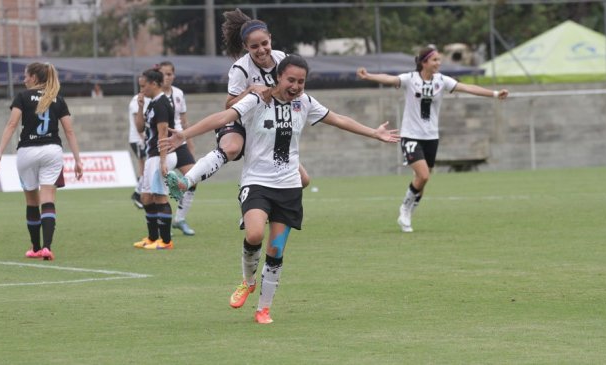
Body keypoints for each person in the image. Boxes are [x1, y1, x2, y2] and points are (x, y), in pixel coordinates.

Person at [161, 55, 400, 324]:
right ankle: (248, 281)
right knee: (253, 234)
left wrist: (374, 133)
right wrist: (186, 134)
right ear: (278, 78)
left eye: (301, 81)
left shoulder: (305, 103)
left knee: (275, 250)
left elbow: (339, 119)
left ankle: (264, 309)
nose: (296, 86)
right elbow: (224, 116)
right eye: (291, 80)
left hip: (288, 187)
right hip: (257, 182)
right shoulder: (257, 100)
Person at [356, 46, 509, 233]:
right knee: (423, 175)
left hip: (431, 137)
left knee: (422, 180)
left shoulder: (441, 81)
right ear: (424, 62)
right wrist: (369, 76)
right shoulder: (410, 79)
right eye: (435, 60)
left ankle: (410, 210)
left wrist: (494, 94)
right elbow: (390, 79)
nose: (439, 63)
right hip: (411, 135)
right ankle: (405, 208)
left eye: (439, 60)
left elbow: (467, 87)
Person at [168, 8, 310, 199]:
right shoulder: (240, 69)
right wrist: (249, 90)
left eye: (264, 43)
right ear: (245, 46)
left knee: (303, 180)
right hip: (241, 121)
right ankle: (186, 181)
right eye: (254, 46)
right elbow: (229, 105)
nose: (261, 50)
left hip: (269, 124)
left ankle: (259, 201)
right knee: (232, 148)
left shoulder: (282, 59)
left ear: (270, 38)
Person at [0, 62, 83, 260]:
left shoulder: (22, 97)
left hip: (27, 152)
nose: (24, 80)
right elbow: (69, 131)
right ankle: (47, 247)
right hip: (52, 151)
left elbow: (12, 124)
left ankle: (35, 248)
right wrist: (77, 160)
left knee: (32, 200)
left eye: (26, 76)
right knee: (48, 198)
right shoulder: (57, 98)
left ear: (34, 77)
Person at [132, 68, 177, 250]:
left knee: (160, 197)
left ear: (154, 84)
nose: (141, 90)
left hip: (160, 155)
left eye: (144, 86)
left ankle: (166, 241)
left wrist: (163, 160)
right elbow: (140, 129)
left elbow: (163, 133)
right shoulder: (151, 104)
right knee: (146, 198)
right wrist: (141, 106)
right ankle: (152, 238)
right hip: (152, 156)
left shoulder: (162, 104)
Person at [157, 61, 197, 236]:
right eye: (164, 74)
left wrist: (190, 142)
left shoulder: (179, 94)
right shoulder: (155, 95)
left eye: (169, 74)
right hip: (164, 144)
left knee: (193, 178)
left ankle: (179, 219)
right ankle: (163, 223)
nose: (167, 77)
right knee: (161, 185)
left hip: (179, 142)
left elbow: (185, 121)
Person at [128, 76, 150, 209]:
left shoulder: (147, 99)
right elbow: (138, 123)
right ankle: (138, 194)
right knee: (145, 166)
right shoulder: (137, 100)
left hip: (143, 139)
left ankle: (141, 194)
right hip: (138, 139)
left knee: (146, 166)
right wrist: (145, 139)